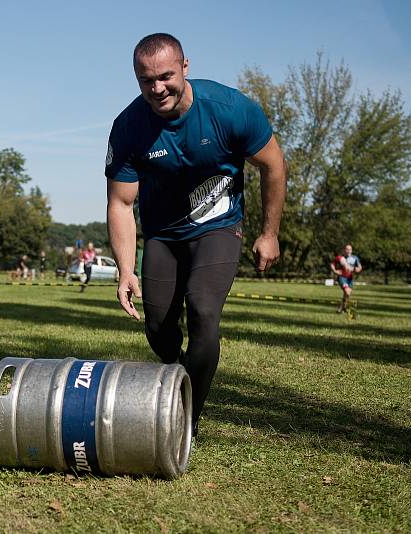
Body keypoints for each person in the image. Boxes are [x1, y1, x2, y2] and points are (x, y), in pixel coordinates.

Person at [106, 33, 286, 439]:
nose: (157, 88)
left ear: (186, 67)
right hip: (163, 235)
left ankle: (186, 419)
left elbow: (273, 165)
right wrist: (124, 269)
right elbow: (120, 204)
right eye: (145, 80)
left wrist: (269, 233)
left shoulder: (229, 109)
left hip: (218, 227)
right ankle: (179, 374)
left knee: (203, 311)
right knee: (157, 327)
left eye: (165, 76)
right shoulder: (130, 127)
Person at [330, 244, 362, 313]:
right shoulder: (340, 258)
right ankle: (343, 308)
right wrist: (335, 271)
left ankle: (342, 308)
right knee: (347, 291)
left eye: (350, 249)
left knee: (347, 294)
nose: (348, 251)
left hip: (350, 278)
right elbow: (332, 264)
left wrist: (357, 270)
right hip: (342, 277)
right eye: (347, 249)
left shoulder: (355, 258)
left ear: (352, 250)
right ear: (344, 250)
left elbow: (360, 267)